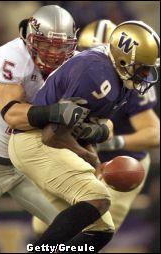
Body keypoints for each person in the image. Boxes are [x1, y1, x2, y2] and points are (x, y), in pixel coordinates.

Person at [8, 20, 160, 251]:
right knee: (97, 199)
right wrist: (89, 157)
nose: (146, 74)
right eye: (142, 67)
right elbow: (52, 134)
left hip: (53, 143)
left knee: (101, 228)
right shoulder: (95, 74)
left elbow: (80, 129)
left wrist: (94, 153)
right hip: (37, 142)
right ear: (123, 58)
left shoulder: (118, 80)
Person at [0, 5, 88, 253]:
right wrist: (55, 113)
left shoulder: (76, 63)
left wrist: (91, 131)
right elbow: (13, 115)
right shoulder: (11, 56)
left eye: (60, 46)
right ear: (30, 38)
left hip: (28, 162)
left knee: (74, 228)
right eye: (46, 44)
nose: (54, 53)